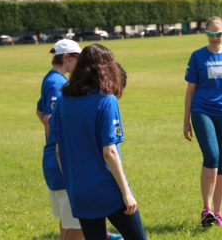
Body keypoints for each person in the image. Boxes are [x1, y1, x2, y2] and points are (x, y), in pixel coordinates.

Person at [53, 44, 146, 240]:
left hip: (79, 191)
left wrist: (72, 186)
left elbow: (59, 151)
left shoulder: (62, 101)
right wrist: (126, 192)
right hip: (107, 189)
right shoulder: (106, 100)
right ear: (105, 68)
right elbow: (109, 152)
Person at [183, 16, 222, 227]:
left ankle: (218, 213)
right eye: (211, 34)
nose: (215, 38)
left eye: (218, 34)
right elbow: (190, 89)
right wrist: (186, 120)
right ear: (206, 34)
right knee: (211, 156)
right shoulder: (197, 56)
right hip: (202, 111)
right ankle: (206, 209)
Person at [37, 39, 84, 240]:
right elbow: (49, 118)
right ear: (66, 58)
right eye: (78, 60)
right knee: (79, 225)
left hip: (53, 158)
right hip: (62, 161)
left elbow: (39, 111)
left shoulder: (49, 79)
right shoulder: (59, 84)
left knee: (67, 224)